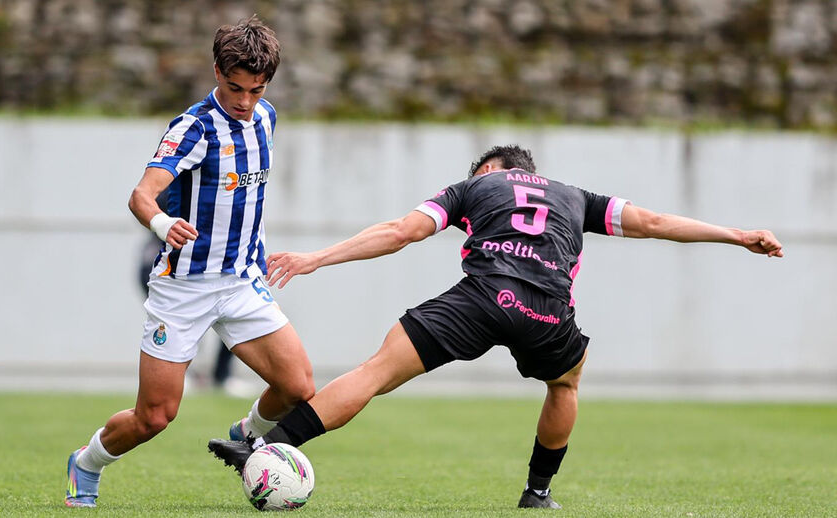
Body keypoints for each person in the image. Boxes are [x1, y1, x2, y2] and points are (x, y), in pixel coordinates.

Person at [207, 144, 784, 509]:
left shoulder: (474, 187)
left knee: (377, 371)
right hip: (546, 309)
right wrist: (738, 235)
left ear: (497, 171)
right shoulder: (576, 197)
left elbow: (402, 231)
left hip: (480, 297)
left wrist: (316, 258)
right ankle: (538, 493)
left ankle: (266, 446)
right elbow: (654, 222)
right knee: (566, 383)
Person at [64, 16, 315, 508]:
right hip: (184, 287)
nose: (245, 102)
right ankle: (86, 463)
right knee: (154, 416)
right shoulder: (193, 127)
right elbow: (142, 195)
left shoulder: (267, 118)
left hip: (241, 281)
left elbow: (246, 197)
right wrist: (162, 224)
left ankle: (247, 435)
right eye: (234, 87)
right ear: (216, 71)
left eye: (257, 90)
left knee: (297, 386)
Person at [137, 193, 235, 390]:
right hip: (170, 270)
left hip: (211, 268)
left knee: (233, 315)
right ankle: (185, 375)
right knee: (180, 325)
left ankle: (221, 376)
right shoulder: (170, 187)